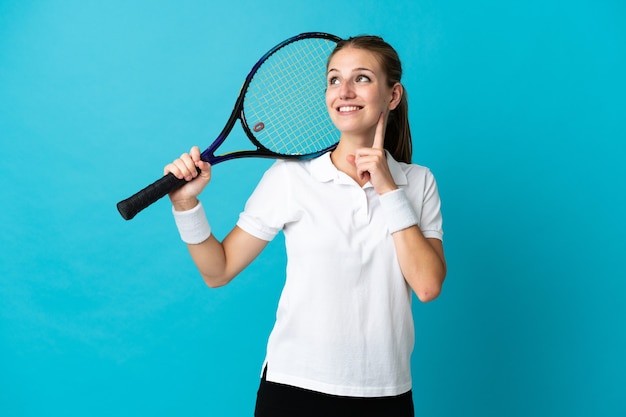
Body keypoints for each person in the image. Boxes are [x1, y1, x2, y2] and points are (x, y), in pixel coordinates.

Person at [164, 35, 446, 417]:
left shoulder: (419, 182)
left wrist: (386, 187)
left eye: (361, 78)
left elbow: (427, 286)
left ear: (393, 95)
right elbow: (219, 270)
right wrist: (185, 204)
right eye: (333, 79)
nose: (343, 91)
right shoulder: (291, 178)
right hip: (294, 391)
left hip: (387, 393)